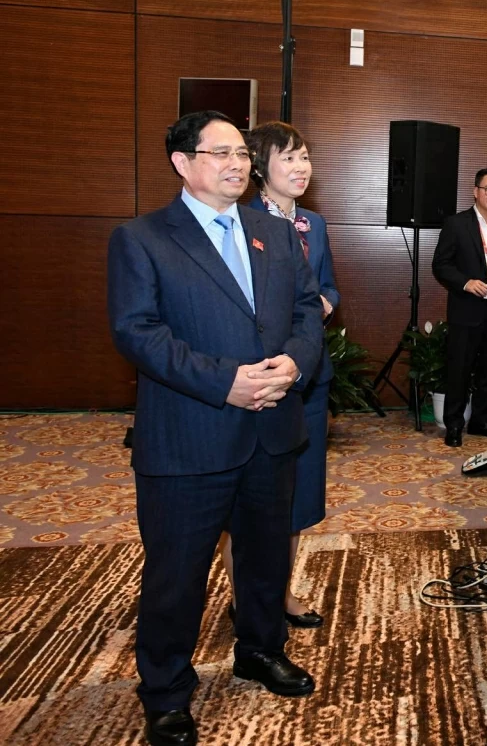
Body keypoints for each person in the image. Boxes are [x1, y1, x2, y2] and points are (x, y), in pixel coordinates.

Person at [108, 111, 324, 746]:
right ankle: (167, 690)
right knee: (177, 573)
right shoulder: (143, 238)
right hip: (190, 434)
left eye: (242, 154)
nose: (237, 164)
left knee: (263, 559)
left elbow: (309, 310)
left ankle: (259, 649)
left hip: (272, 429)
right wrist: (223, 380)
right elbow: (137, 332)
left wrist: (296, 360)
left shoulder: (276, 233)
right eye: (220, 152)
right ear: (182, 162)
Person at [222, 121, 336, 630]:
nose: (301, 167)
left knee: (295, 495)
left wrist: (322, 305)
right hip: (260, 378)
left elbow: (326, 286)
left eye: (305, 156)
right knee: (247, 500)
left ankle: (280, 592)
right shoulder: (238, 219)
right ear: (258, 169)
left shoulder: (316, 222)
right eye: (288, 158)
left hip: (306, 373)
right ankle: (245, 597)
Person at [432, 169, 487, 447]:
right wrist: (466, 282)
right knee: (460, 368)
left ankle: (481, 421)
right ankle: (454, 425)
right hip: (468, 308)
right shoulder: (457, 224)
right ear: (476, 191)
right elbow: (441, 265)